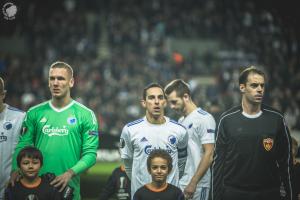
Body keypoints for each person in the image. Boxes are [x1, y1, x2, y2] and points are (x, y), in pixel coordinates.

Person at [10, 61, 99, 200]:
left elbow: (90, 155)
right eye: (52, 78)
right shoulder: (34, 113)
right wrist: (15, 168)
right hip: (35, 190)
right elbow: (23, 145)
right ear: (48, 82)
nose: (56, 83)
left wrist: (70, 173)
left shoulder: (85, 115)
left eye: (61, 78)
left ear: (71, 82)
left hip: (68, 190)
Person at [212, 66, 293, 200]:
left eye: (262, 85)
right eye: (254, 85)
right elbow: (218, 163)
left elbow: (286, 162)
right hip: (234, 193)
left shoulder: (276, 119)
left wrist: (290, 196)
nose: (260, 89)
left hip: (268, 193)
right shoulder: (227, 120)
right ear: (242, 87)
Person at [119, 83, 188, 199]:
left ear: (165, 102)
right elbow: (127, 163)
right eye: (151, 98)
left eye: (160, 98)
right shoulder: (130, 130)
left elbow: (181, 163)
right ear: (144, 103)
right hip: (142, 195)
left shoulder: (179, 130)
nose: (156, 102)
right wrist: (142, 185)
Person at [164, 79, 216, 200]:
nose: (171, 107)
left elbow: (209, 154)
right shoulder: (181, 121)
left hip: (197, 186)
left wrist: (193, 182)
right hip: (181, 184)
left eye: (174, 102)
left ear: (186, 96)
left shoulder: (204, 118)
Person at [4, 146, 69, 200]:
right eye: (26, 163)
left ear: (41, 165)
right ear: (19, 166)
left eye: (35, 163)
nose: (30, 166)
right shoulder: (13, 188)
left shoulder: (51, 187)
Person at [0, 77, 25, 200]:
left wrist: (18, 171)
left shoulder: (20, 118)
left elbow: (28, 151)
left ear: (3, 94)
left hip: (10, 190)